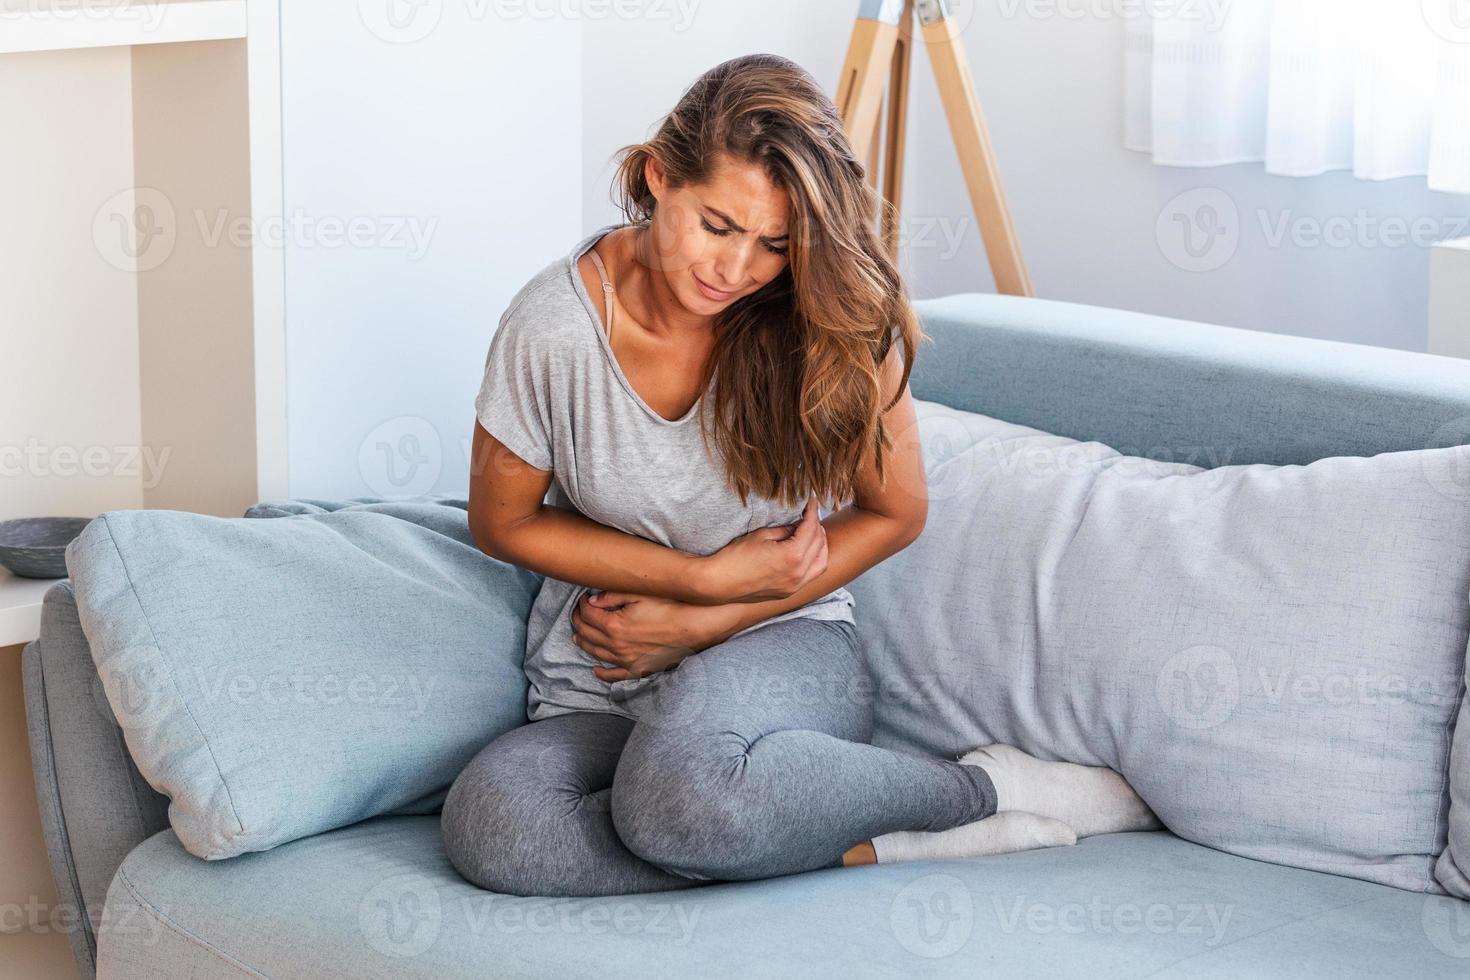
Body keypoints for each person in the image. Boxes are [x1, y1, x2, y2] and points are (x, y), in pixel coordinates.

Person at [443, 53, 1159, 898]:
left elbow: (895, 511)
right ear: (656, 177)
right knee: (498, 828)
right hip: (601, 673)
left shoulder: (828, 314)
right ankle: (852, 838)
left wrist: (705, 619)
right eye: (717, 224)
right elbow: (505, 523)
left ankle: (982, 791)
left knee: (679, 797)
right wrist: (699, 578)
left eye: (775, 244)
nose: (737, 268)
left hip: (785, 648)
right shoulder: (554, 326)